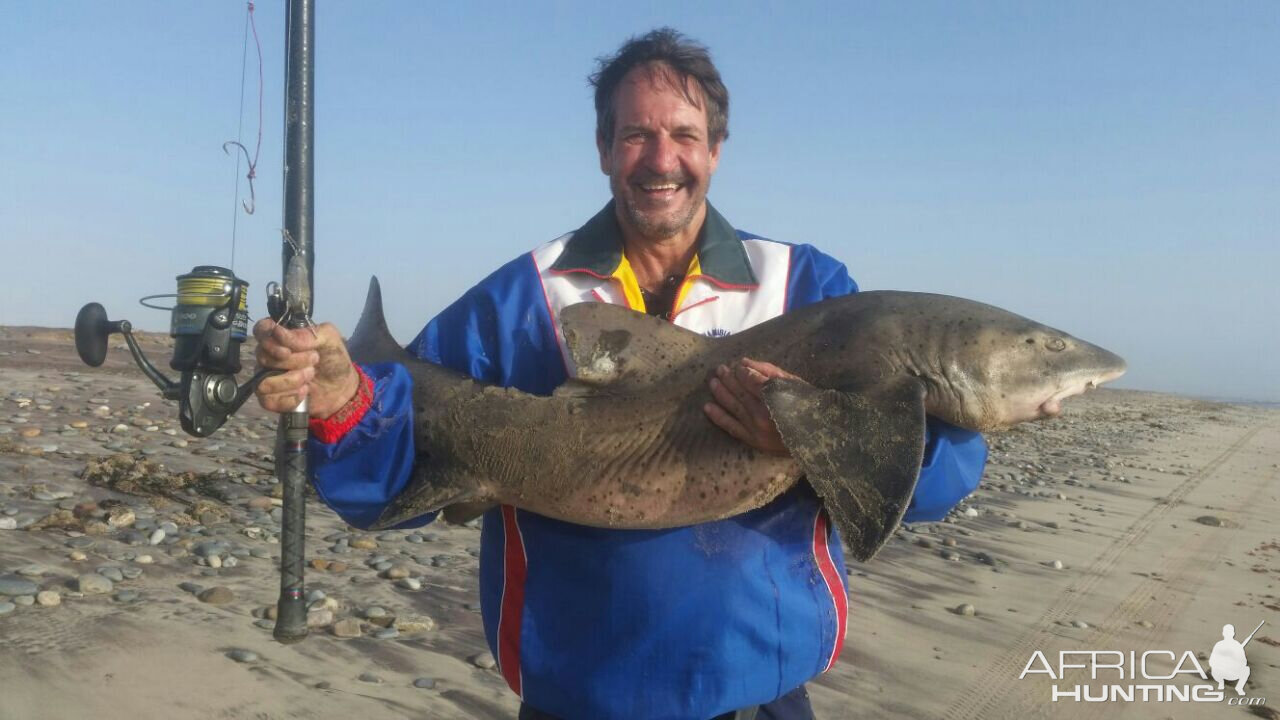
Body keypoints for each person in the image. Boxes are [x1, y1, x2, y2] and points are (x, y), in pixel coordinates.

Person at [254, 28, 987, 720]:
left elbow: (929, 487)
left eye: (685, 136)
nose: (661, 159)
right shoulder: (521, 302)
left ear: (717, 150)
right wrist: (345, 403)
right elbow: (390, 477)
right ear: (604, 147)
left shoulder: (808, 288)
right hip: (575, 695)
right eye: (637, 134)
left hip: (763, 694)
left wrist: (812, 434)